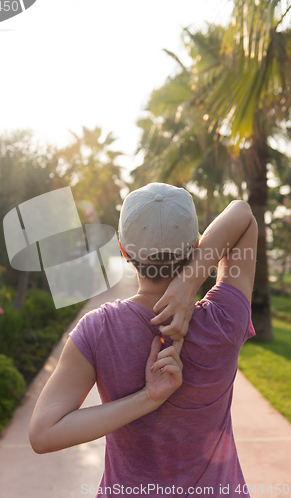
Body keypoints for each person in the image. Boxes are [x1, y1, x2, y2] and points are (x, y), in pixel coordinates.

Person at [29, 182, 258, 498]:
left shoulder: (99, 329)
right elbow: (242, 214)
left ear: (123, 251)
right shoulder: (224, 318)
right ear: (196, 246)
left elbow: (44, 433)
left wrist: (147, 399)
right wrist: (190, 281)